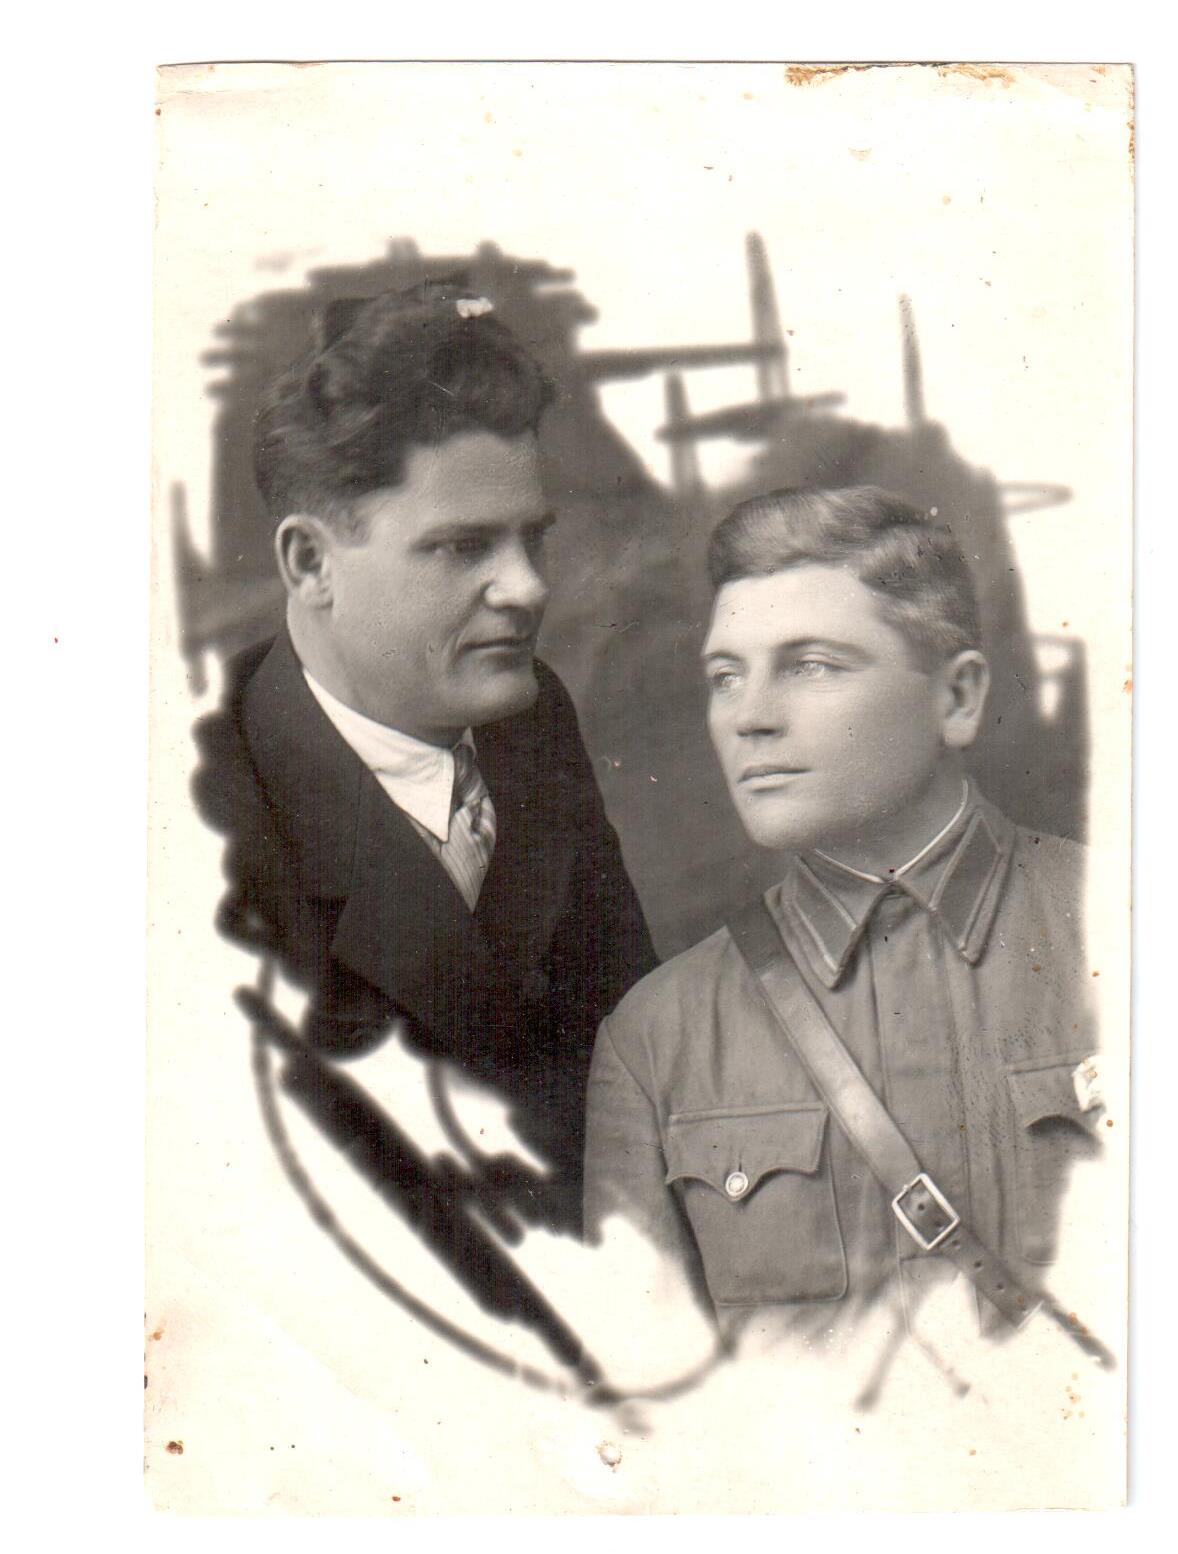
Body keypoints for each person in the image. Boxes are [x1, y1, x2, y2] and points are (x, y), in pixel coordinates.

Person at [584, 485, 1103, 1359]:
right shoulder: (656, 1040)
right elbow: (651, 1398)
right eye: (725, 677)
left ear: (958, 697)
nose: (750, 717)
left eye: (812, 665)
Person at [193, 281, 656, 1216]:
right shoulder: (197, 808)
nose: (527, 588)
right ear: (311, 564)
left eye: (532, 540)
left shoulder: (528, 719)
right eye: (461, 548)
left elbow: (637, 1055)